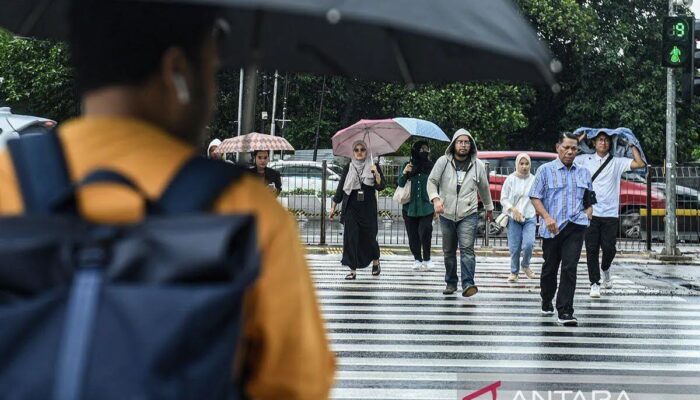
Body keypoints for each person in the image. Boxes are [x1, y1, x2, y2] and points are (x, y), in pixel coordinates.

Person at [0, 2, 335, 398]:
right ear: (177, 70)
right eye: (210, 68)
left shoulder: (8, 182)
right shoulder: (244, 211)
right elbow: (296, 385)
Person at [529, 132, 593, 327]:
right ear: (558, 147)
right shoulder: (545, 171)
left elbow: (590, 199)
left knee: (569, 267)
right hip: (553, 227)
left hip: (575, 226)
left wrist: (588, 212)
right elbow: (535, 197)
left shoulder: (583, 172)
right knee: (550, 268)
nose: (570, 152)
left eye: (574, 148)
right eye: (566, 147)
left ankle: (565, 310)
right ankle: (546, 297)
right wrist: (546, 217)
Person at [575, 130, 646, 298]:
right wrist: (579, 139)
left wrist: (631, 145)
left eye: (606, 140)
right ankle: (594, 283)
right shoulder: (585, 159)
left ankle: (605, 268)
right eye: (600, 140)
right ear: (593, 143)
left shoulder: (616, 162)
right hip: (590, 212)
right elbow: (565, 156)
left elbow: (639, 164)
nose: (603, 143)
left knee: (609, 249)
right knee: (591, 249)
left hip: (610, 214)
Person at [427, 129, 493, 297]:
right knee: (448, 251)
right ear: (454, 144)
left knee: (467, 249)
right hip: (446, 212)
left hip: (468, 213)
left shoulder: (477, 165)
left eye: (466, 142)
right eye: (460, 142)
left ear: (471, 145)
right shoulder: (443, 162)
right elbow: (432, 182)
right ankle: (450, 282)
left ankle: (468, 284)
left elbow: (484, 188)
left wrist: (488, 207)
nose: (463, 145)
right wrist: (435, 199)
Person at [329, 140, 385, 280]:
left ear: (367, 152)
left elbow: (381, 186)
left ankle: (375, 261)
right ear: (353, 152)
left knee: (370, 236)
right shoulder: (349, 166)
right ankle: (352, 270)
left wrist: (376, 174)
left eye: (362, 149)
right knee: (351, 238)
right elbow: (341, 187)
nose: (359, 152)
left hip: (368, 207)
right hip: (351, 207)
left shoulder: (373, 165)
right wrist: (333, 206)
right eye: (356, 150)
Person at [398, 140, 435, 272]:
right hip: (409, 206)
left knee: (426, 231)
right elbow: (400, 183)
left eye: (427, 149)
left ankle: (427, 258)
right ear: (415, 150)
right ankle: (417, 259)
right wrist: (405, 172)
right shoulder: (407, 165)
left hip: (427, 206)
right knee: (412, 234)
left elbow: (436, 183)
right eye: (421, 149)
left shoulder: (431, 166)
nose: (424, 152)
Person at [499, 153, 537, 283]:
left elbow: (538, 197)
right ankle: (514, 272)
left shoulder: (534, 179)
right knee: (514, 248)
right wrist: (512, 209)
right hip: (513, 217)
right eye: (521, 163)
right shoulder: (510, 179)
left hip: (530, 216)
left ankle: (525, 265)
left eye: (527, 164)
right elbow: (503, 198)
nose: (524, 166)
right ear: (517, 164)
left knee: (529, 244)